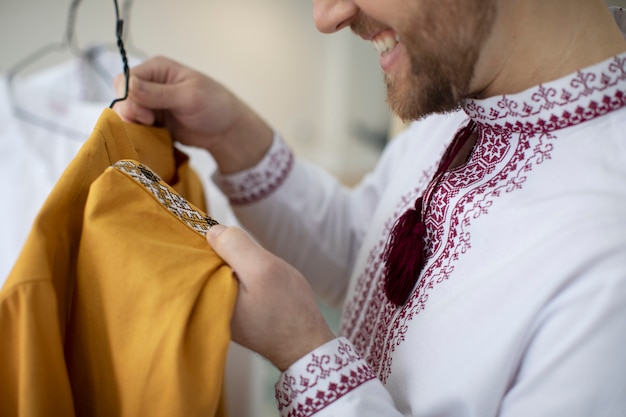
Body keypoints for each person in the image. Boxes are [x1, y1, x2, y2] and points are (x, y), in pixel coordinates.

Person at [114, 0, 626, 415]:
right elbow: (364, 254)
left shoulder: (609, 267)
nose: (326, 16)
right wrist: (235, 137)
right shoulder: (453, 104)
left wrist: (305, 357)